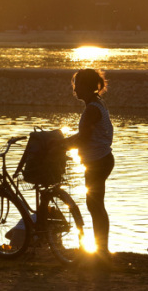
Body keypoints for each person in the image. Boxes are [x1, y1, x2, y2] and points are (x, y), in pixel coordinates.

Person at [64, 68, 115, 266]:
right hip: (100, 159)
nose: (74, 89)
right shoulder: (96, 104)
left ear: (86, 87)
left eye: (77, 85)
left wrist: (59, 144)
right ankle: (101, 249)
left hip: (98, 161)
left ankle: (101, 251)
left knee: (95, 206)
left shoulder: (92, 109)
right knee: (96, 206)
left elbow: (82, 138)